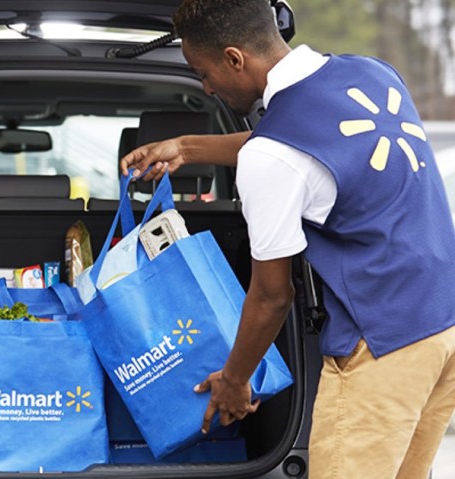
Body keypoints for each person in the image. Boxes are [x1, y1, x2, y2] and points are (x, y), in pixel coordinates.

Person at [121, 1, 455, 477]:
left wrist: (234, 382)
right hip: (441, 326)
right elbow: (297, 143)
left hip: (382, 347)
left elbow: (274, 296)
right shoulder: (372, 73)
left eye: (203, 73)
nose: (207, 86)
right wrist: (188, 147)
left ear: (235, 58)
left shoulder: (272, 158)